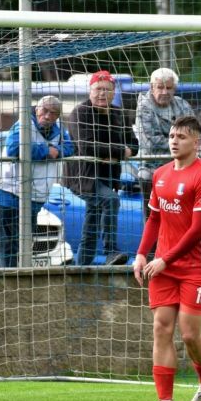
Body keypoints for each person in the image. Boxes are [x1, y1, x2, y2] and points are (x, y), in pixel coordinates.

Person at [133, 115, 201, 401]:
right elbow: (154, 218)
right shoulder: (160, 174)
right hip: (162, 266)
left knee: (188, 334)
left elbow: (197, 230)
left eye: (181, 137)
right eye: (171, 135)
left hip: (195, 266)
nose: (174, 141)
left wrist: (165, 258)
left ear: (197, 142)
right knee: (161, 328)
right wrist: (142, 254)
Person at [63, 70, 137, 266]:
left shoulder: (119, 114)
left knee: (92, 224)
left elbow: (135, 145)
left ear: (113, 92)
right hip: (83, 177)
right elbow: (86, 145)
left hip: (108, 177)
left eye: (107, 89)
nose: (102, 93)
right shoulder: (80, 112)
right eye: (98, 89)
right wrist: (120, 151)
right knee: (111, 201)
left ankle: (81, 269)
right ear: (90, 90)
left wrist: (113, 152)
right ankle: (110, 250)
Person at [0, 95, 74, 267]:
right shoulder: (23, 125)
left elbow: (70, 147)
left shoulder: (59, 131)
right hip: (10, 192)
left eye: (54, 113)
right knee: (9, 246)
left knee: (20, 244)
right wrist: (46, 151)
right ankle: (9, 285)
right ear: (37, 109)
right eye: (45, 111)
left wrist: (56, 150)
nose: (48, 116)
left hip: (36, 196)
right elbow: (14, 148)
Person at [134, 68, 201, 222]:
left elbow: (197, 131)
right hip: (152, 165)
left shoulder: (182, 104)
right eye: (160, 87)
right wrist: (186, 147)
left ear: (174, 88)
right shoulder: (144, 106)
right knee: (153, 210)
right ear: (152, 87)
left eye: (169, 87)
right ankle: (153, 244)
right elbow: (150, 142)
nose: (164, 91)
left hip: (182, 165)